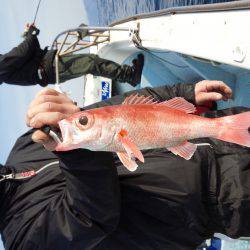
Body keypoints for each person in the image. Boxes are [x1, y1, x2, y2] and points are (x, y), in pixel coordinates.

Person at [0, 80, 249, 250]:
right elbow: (91, 216)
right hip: (223, 200)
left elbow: (116, 110)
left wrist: (183, 92)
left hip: (214, 131)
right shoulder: (23, 238)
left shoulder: (24, 145)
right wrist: (77, 151)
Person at [0, 24, 144, 87]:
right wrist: (31, 34)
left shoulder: (4, 73)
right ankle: (130, 75)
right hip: (51, 67)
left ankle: (128, 75)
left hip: (50, 68)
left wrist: (29, 35)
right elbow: (22, 53)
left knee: (90, 62)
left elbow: (24, 55)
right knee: (91, 63)